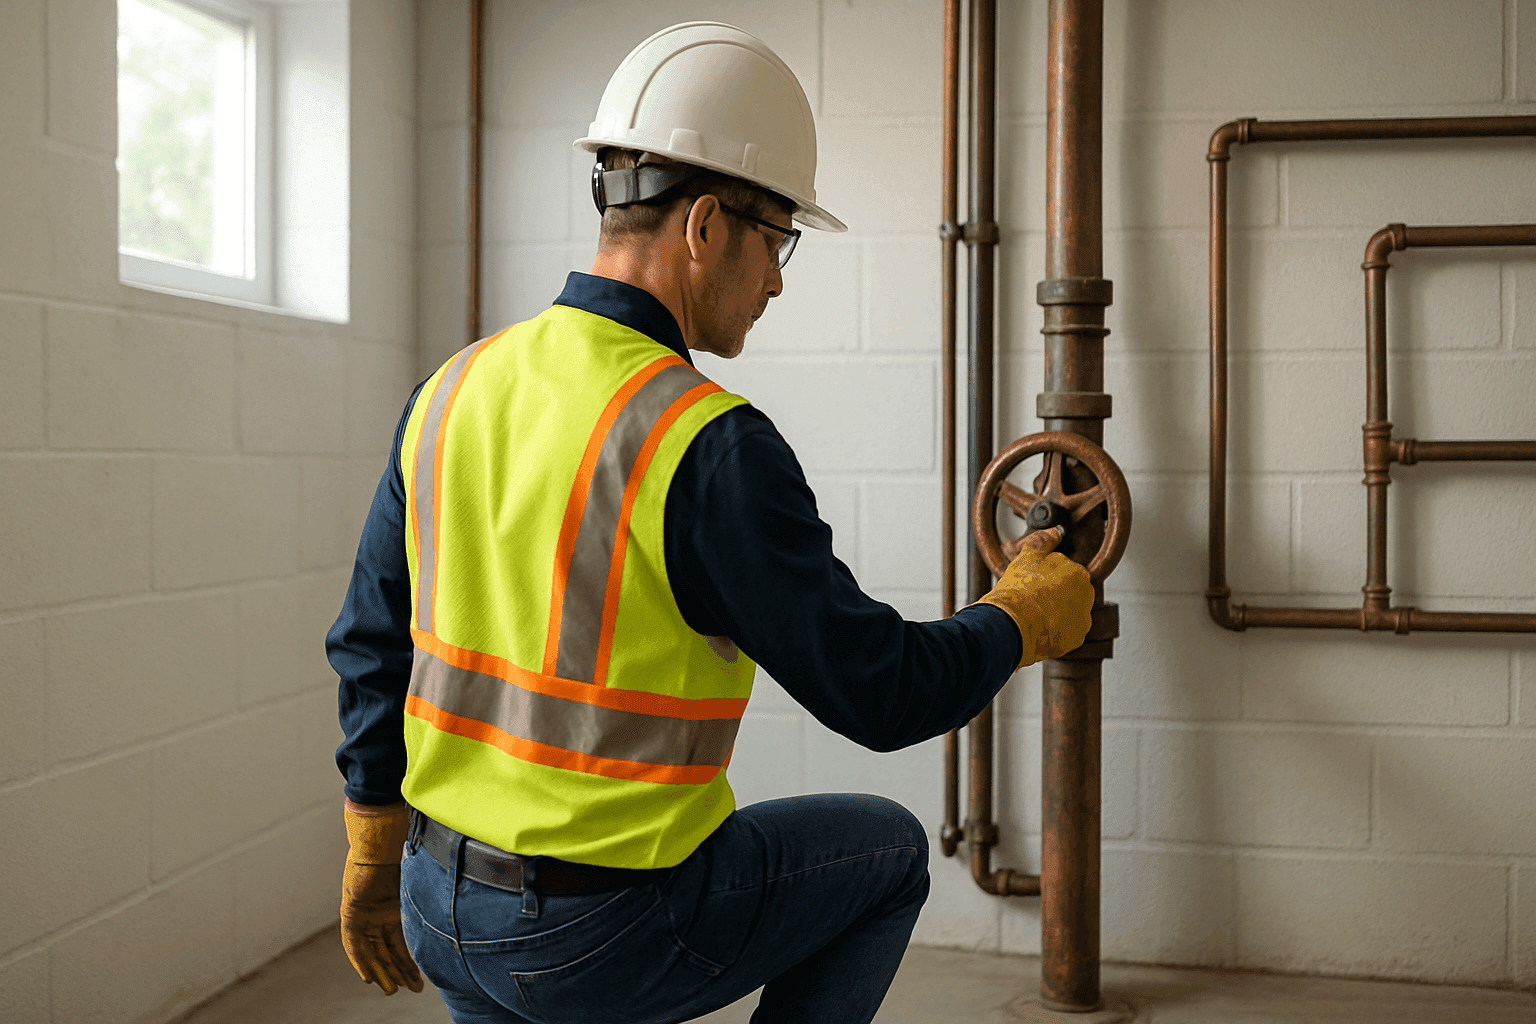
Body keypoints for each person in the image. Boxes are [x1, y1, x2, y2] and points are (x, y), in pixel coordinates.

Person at [328, 21, 1094, 1024]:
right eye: (778, 239)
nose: (777, 277)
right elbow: (879, 691)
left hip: (438, 905)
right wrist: (1021, 614)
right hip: (593, 931)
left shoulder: (453, 387)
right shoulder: (704, 443)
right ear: (702, 228)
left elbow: (369, 642)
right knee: (889, 855)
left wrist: (372, 843)